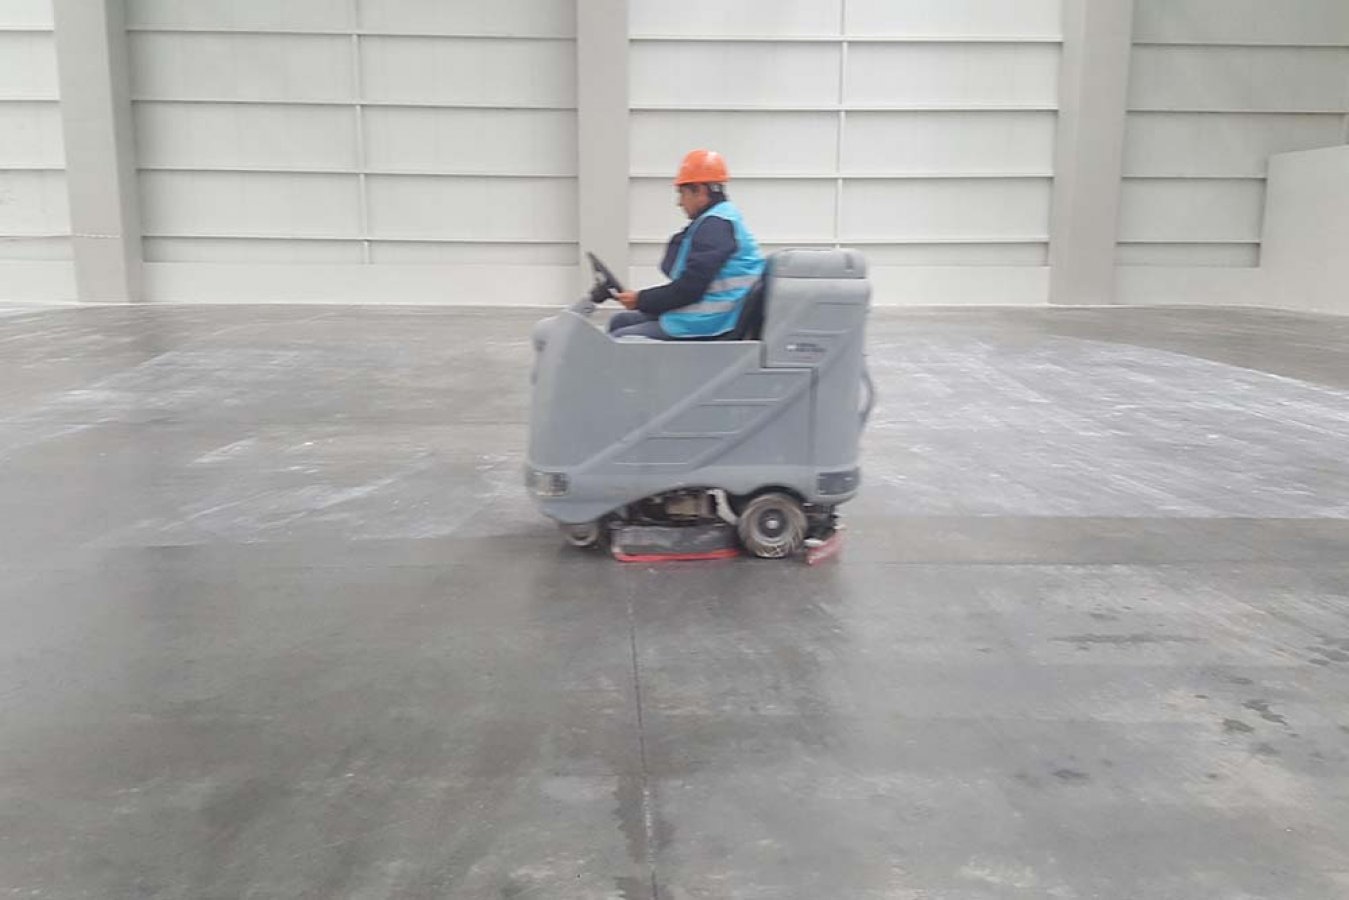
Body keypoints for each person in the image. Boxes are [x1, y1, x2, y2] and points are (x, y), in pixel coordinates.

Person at [609, 149, 765, 340]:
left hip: (710, 321)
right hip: (706, 314)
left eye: (682, 193)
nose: (679, 203)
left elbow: (689, 289)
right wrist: (641, 299)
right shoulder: (716, 219)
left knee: (621, 339)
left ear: (700, 191)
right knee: (620, 321)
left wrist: (641, 299)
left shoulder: (715, 226)